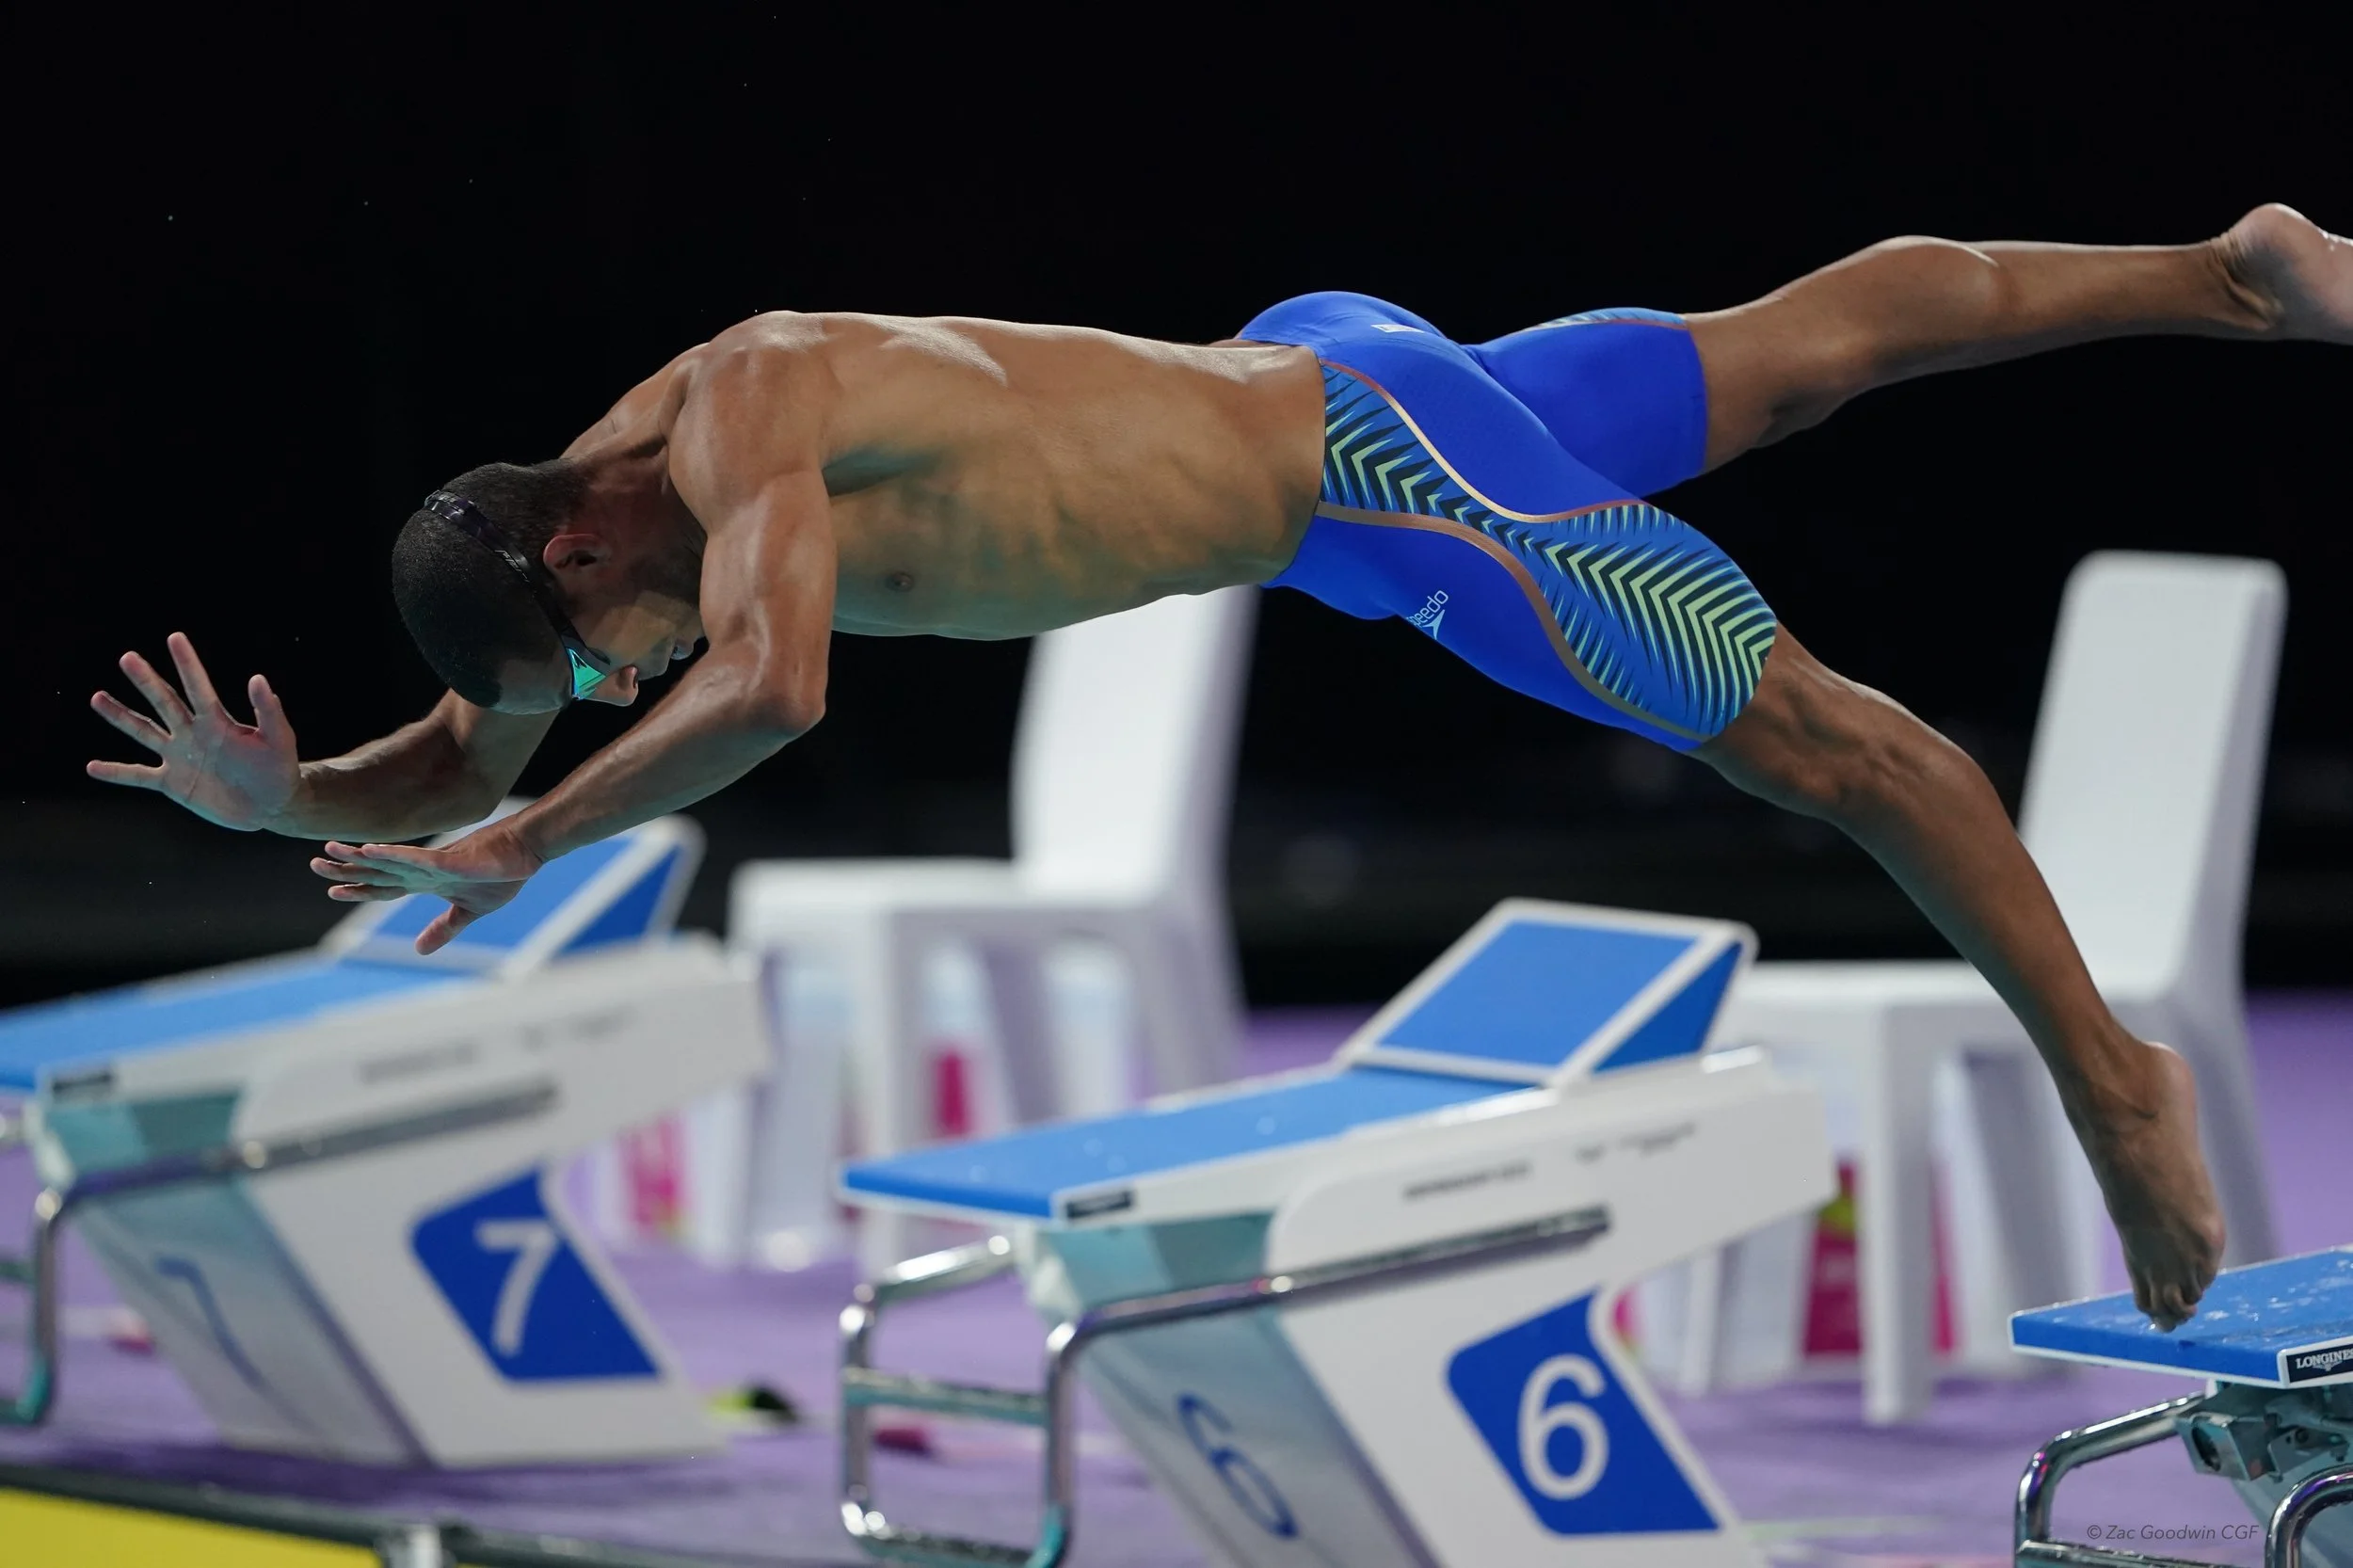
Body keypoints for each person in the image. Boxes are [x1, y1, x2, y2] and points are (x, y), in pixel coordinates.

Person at [89, 202, 2353, 1331]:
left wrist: (514, 833)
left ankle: (2104, 1069)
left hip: (1372, 466)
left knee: (1830, 745)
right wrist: (296, 805)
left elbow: (768, 688)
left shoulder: (744, 400)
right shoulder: (561, 548)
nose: (610, 677)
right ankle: (2232, 274)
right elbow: (458, 762)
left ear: (582, 539)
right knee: (1784, 367)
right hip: (1328, 422)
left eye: (600, 646)